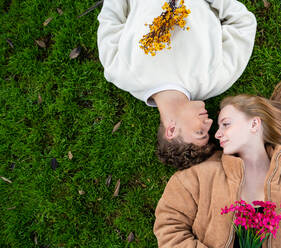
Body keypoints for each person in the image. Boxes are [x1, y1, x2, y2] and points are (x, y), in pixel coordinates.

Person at [154, 78, 281, 247]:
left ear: (254, 124)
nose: (217, 133)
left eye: (226, 124)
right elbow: (169, 227)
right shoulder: (196, 177)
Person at [97, 0, 257, 168]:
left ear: (171, 130)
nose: (210, 122)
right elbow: (243, 23)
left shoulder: (122, 74)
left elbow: (111, 18)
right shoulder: (215, 79)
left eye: (200, 132)